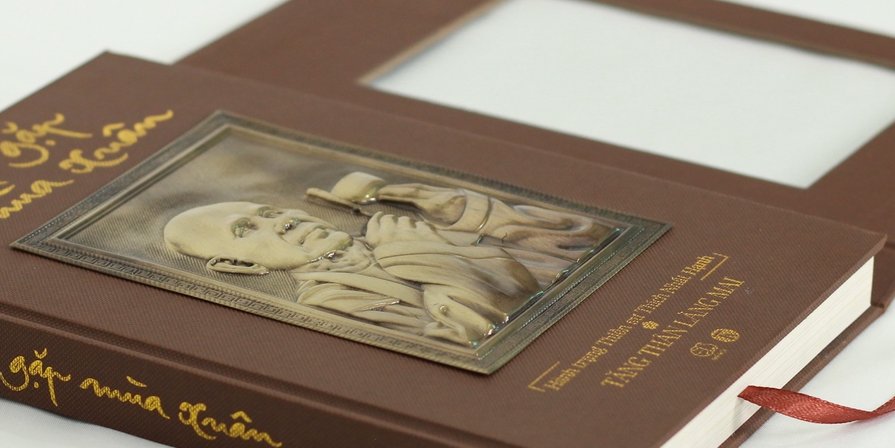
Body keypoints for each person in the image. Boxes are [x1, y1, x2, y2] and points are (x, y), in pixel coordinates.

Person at [162, 176, 611, 347]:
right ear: (238, 266)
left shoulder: (394, 229)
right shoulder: (333, 301)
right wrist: (423, 256)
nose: (282, 221)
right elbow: (473, 337)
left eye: (270, 211)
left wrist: (424, 200)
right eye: (247, 230)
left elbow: (586, 239)